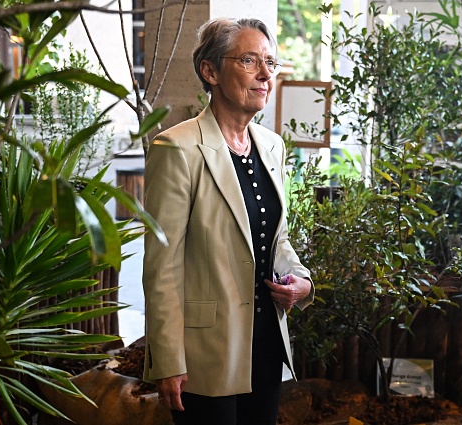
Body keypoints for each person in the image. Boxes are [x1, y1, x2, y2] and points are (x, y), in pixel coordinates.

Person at [142, 17, 314, 425]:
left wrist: (302, 281)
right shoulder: (177, 147)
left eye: (270, 63)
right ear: (210, 71)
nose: (265, 75)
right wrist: (167, 359)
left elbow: (276, 240)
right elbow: (161, 266)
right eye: (250, 61)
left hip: (267, 342)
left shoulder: (272, 146)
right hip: (205, 353)